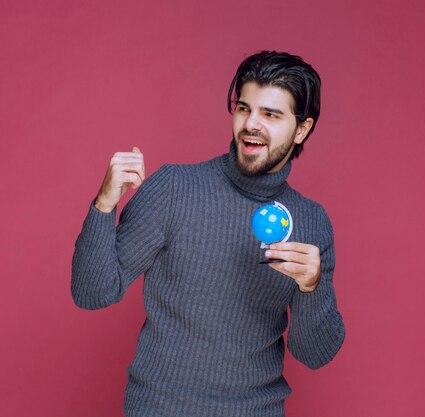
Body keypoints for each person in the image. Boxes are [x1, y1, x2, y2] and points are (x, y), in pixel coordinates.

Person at [71, 51, 345, 417]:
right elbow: (92, 292)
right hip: (158, 408)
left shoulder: (311, 222)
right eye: (244, 108)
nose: (251, 124)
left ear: (302, 129)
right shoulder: (174, 188)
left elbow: (316, 354)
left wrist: (312, 288)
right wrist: (104, 204)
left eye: (271, 115)